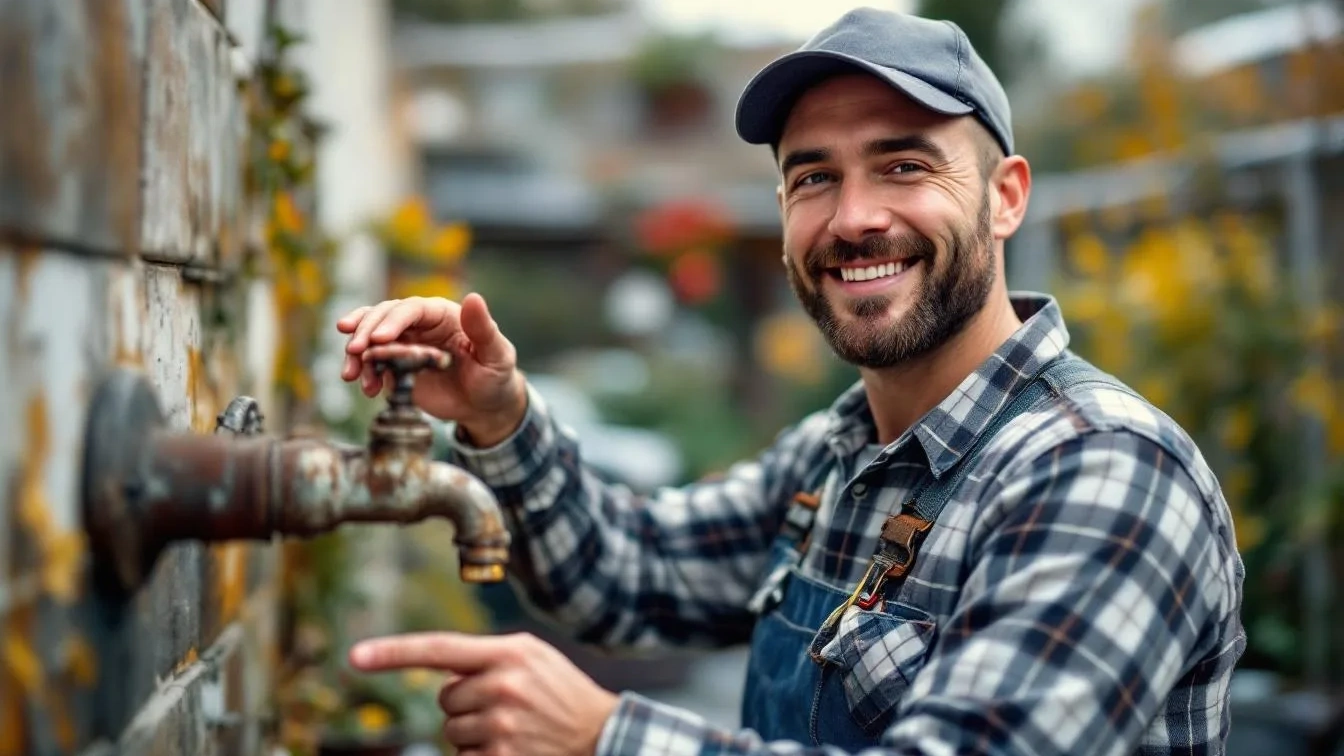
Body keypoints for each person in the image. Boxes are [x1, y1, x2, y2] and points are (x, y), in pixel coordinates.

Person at [337, 8, 1245, 756]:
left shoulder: (1104, 470)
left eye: (903, 164)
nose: (853, 219)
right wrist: (501, 416)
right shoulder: (838, 453)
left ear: (1005, 196)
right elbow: (629, 571)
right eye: (815, 178)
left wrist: (608, 736)